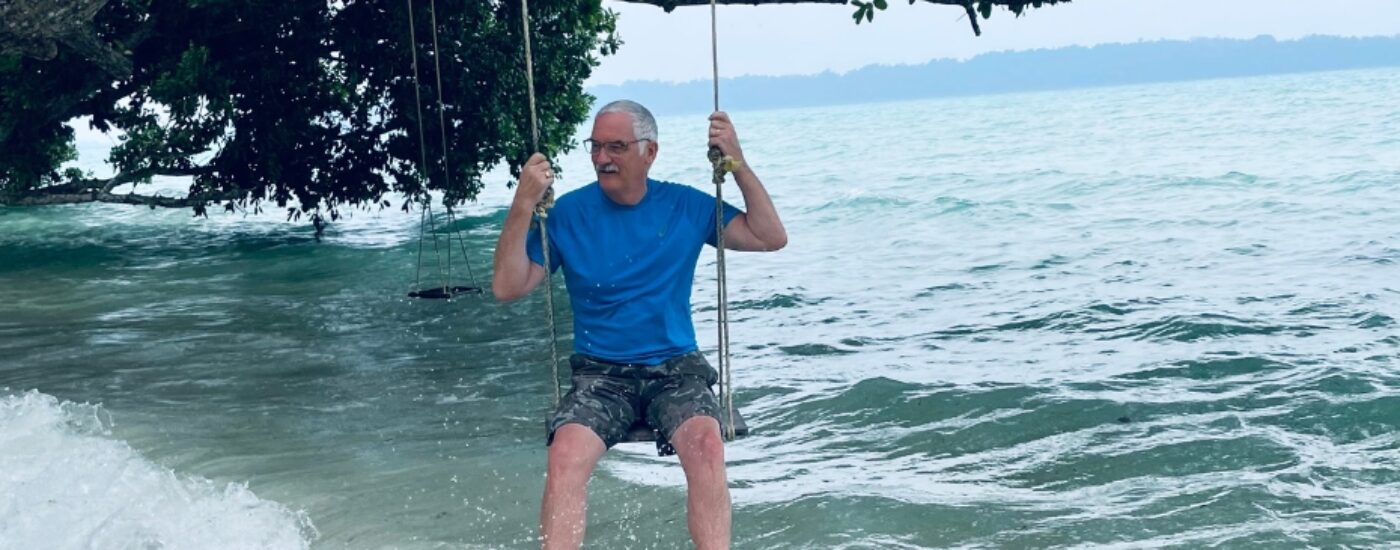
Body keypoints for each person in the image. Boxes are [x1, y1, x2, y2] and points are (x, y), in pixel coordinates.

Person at [491, 99, 787, 550]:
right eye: (595, 147)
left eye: (616, 147)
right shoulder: (568, 213)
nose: (602, 158)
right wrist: (522, 204)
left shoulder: (684, 206)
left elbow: (770, 236)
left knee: (708, 448)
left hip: (676, 370)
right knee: (565, 456)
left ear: (649, 152)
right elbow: (507, 287)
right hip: (600, 374)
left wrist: (738, 164)